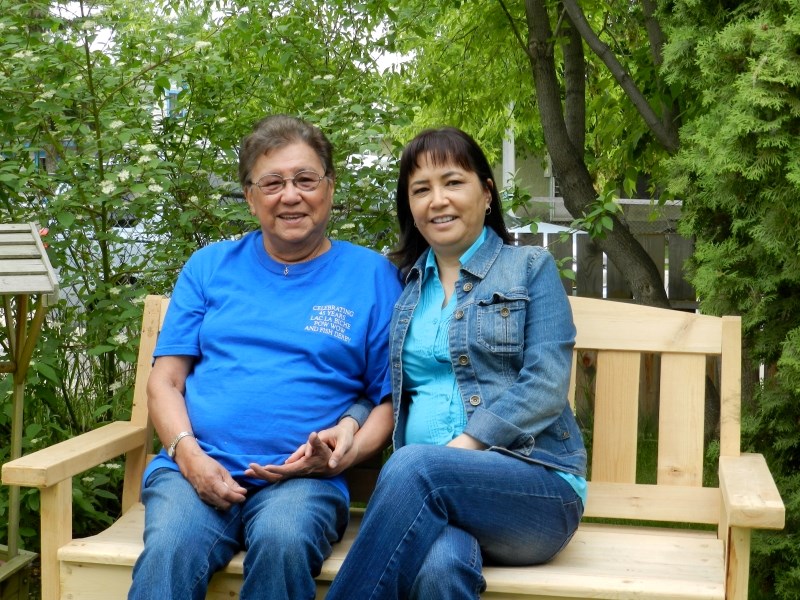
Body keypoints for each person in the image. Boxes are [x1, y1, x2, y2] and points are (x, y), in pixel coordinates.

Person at [128, 114, 401, 600]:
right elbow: (164, 382)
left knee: (283, 541)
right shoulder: (210, 267)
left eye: (305, 179)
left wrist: (343, 457)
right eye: (272, 182)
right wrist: (189, 457)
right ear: (251, 198)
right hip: (194, 469)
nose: (290, 195)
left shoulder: (372, 275)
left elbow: (386, 399)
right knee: (170, 548)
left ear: (330, 189)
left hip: (303, 482)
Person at [326, 127, 587, 600]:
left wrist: (462, 447)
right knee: (442, 570)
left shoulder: (530, 268)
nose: (437, 200)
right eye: (420, 190)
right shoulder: (405, 290)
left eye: (453, 182)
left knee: (414, 467)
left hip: (534, 487)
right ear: (409, 207)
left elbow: (547, 383)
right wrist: (350, 423)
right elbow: (381, 388)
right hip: (432, 501)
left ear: (486, 192)